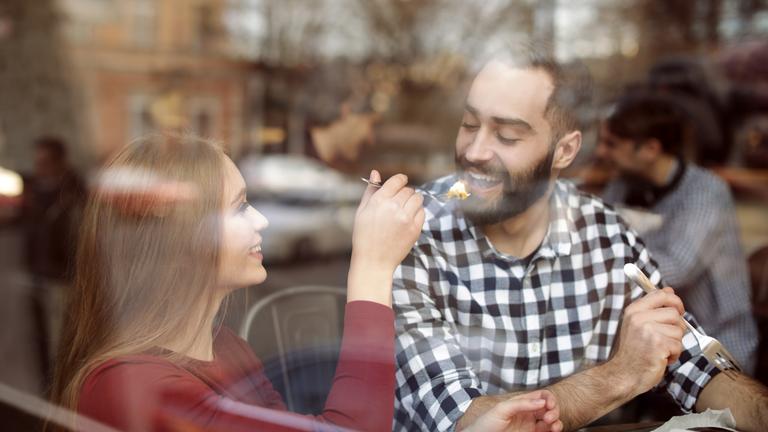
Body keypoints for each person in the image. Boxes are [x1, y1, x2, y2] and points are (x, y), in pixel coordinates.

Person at [50, 133, 561, 432]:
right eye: (238, 208)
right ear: (178, 241)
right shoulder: (129, 388)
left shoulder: (224, 348)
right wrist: (372, 268)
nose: (262, 223)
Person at [392, 44, 768, 432]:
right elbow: (460, 421)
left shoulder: (603, 231)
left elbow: (694, 366)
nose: (474, 151)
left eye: (506, 135)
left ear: (565, 150)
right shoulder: (413, 230)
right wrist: (620, 375)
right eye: (469, 124)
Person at [597, 95, 758, 374]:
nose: (601, 152)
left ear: (649, 149)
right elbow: (599, 234)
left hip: (714, 343)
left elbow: (676, 268)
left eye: (612, 144)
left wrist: (601, 262)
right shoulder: (623, 185)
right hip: (659, 342)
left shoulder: (706, 191)